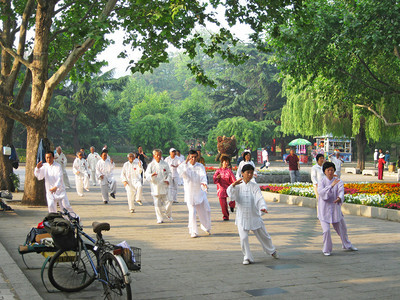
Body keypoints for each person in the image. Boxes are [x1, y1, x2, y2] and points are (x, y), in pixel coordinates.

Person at [227, 164, 278, 265]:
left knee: (264, 236)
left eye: (251, 173)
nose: (249, 175)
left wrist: (262, 207)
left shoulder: (254, 186)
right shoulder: (237, 185)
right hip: (242, 216)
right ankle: (247, 257)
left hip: (254, 215)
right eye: (247, 173)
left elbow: (259, 198)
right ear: (242, 173)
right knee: (244, 238)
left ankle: (271, 250)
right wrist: (233, 185)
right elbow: (231, 195)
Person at [317, 162, 358, 256]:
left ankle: (347, 245)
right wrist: (331, 186)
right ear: (324, 171)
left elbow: (341, 191)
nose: (330, 172)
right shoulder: (322, 181)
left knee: (342, 229)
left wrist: (340, 198)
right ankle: (326, 249)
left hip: (335, 209)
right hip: (324, 210)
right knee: (326, 230)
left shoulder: (338, 181)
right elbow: (321, 193)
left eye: (332, 170)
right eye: (328, 170)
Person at [178, 150, 211, 238]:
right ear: (188, 157)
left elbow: (203, 176)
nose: (193, 159)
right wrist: (185, 163)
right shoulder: (184, 166)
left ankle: (205, 226)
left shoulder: (200, 166)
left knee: (206, 210)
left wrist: (204, 184)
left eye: (195, 157)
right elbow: (181, 173)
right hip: (189, 193)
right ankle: (193, 231)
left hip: (200, 192)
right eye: (191, 157)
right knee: (192, 212)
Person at [145, 149, 172, 224]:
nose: (158, 156)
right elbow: (146, 174)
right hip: (155, 187)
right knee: (157, 204)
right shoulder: (151, 165)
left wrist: (168, 179)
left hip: (164, 185)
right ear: (154, 156)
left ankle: (168, 214)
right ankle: (159, 218)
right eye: (157, 155)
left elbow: (169, 173)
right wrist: (151, 175)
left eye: (160, 155)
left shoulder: (165, 164)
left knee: (169, 201)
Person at [213, 156, 236, 221]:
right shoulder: (218, 171)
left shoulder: (229, 171)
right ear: (222, 162)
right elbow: (214, 179)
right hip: (221, 189)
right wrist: (217, 177)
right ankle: (225, 216)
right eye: (225, 162)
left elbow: (233, 180)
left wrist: (235, 185)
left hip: (228, 188)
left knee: (233, 196)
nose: (226, 163)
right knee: (223, 204)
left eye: (227, 162)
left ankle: (232, 205)